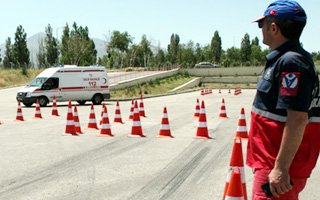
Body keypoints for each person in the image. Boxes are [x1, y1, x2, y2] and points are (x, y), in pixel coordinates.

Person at [246, 0, 320, 199]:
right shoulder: (289, 59)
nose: (260, 29)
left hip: (277, 168)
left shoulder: (291, 62)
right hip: (272, 162)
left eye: (262, 25)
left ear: (273, 27)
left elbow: (297, 119)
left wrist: (280, 168)